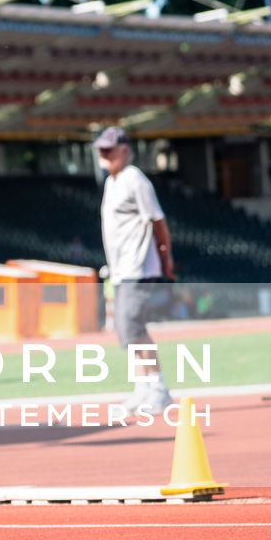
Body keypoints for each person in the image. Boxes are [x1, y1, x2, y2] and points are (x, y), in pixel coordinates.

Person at [93, 126, 177, 414]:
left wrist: (166, 258)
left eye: (109, 148)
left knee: (132, 326)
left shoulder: (134, 180)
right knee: (125, 330)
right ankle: (143, 388)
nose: (104, 154)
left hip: (138, 266)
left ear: (125, 150)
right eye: (100, 149)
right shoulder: (112, 182)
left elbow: (157, 221)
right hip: (120, 270)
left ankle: (159, 389)